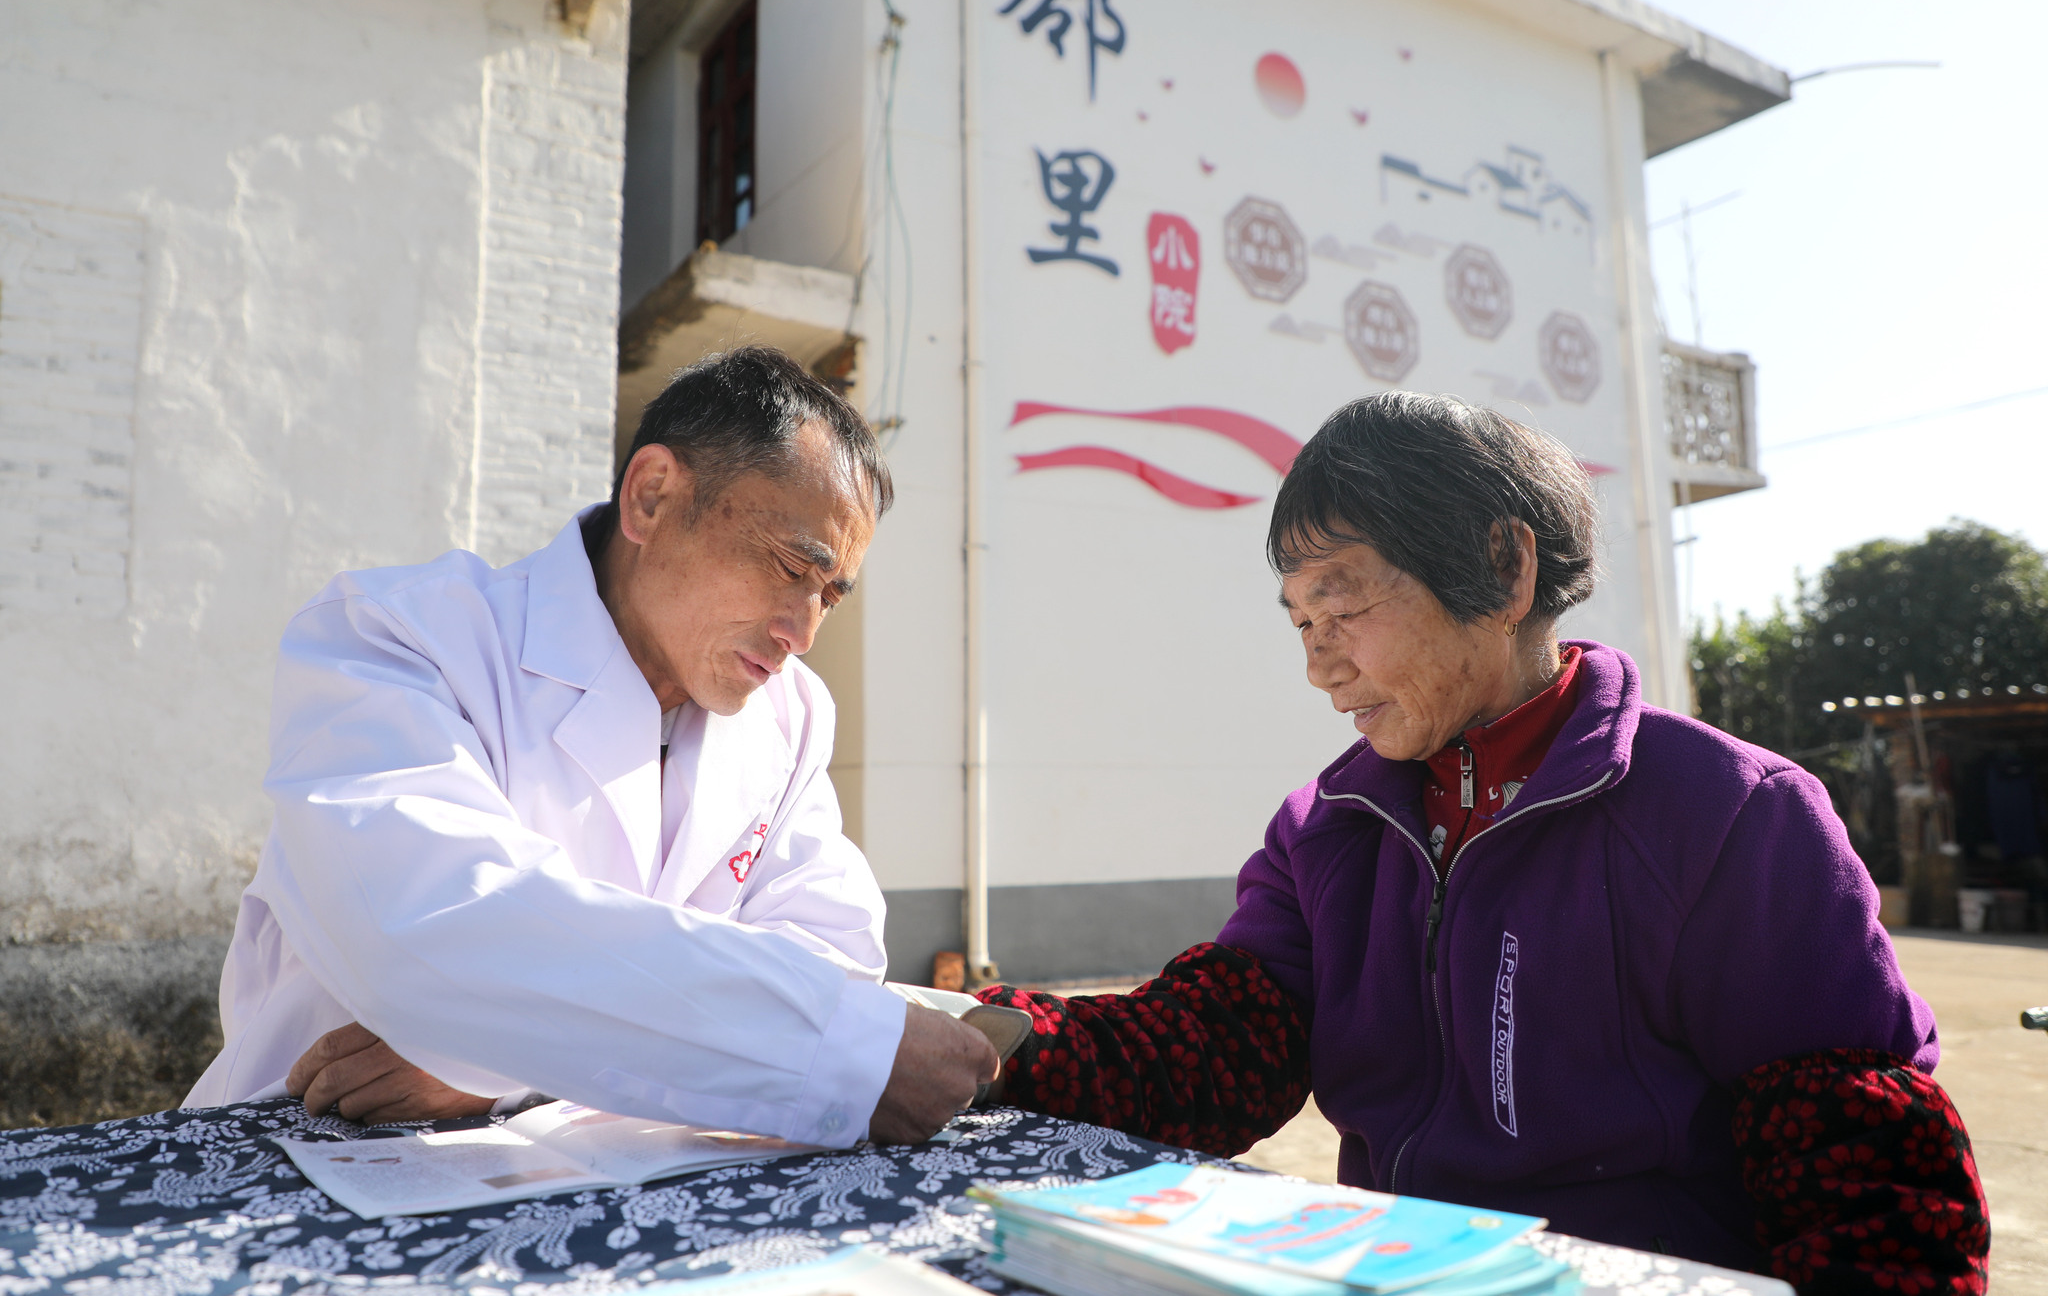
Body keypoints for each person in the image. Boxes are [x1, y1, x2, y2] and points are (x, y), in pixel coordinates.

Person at [977, 393, 1989, 1293]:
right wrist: (990, 1037)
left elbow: (1863, 1167)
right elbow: (1213, 1051)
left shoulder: (1731, 815)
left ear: (1503, 570)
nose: (1319, 667)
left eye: (1339, 603)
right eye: (1298, 623)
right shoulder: (1326, 830)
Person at [185, 346, 996, 1146]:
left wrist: (508, 1059)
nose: (803, 633)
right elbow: (442, 935)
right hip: (307, 1156)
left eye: (830, 594)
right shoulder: (394, 639)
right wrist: (539, 1033)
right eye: (791, 566)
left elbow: (833, 953)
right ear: (651, 496)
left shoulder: (792, 717)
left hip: (612, 1168)